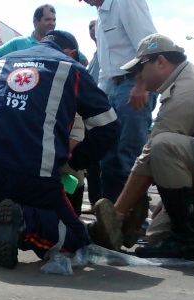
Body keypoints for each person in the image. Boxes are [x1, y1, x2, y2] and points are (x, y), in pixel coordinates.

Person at [0, 30, 119, 269]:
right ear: (72, 53)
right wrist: (75, 162)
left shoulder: (1, 62)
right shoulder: (72, 69)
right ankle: (25, 222)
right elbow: (108, 127)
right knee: (76, 239)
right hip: (34, 171)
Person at [92, 33, 194, 262]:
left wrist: (118, 213)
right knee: (159, 234)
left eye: (140, 68)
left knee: (163, 145)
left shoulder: (186, 93)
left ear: (161, 61)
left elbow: (149, 158)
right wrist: (170, 200)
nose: (138, 76)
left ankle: (186, 242)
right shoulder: (188, 83)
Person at [79, 0, 158, 204]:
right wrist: (97, 102)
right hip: (112, 89)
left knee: (128, 157)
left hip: (133, 83)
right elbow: (106, 68)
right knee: (109, 161)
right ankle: (114, 221)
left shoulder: (126, 2)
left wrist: (141, 85)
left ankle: (135, 222)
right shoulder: (100, 15)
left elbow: (149, 43)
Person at [0, 4, 87, 66]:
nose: (52, 23)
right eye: (47, 19)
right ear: (35, 21)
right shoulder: (17, 43)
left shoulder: (61, 43)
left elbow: (83, 61)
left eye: (54, 20)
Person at [84, 19, 102, 210]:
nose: (92, 30)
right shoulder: (95, 56)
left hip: (105, 113)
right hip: (93, 115)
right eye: (90, 27)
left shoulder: (108, 52)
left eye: (95, 26)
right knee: (94, 163)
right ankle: (97, 204)